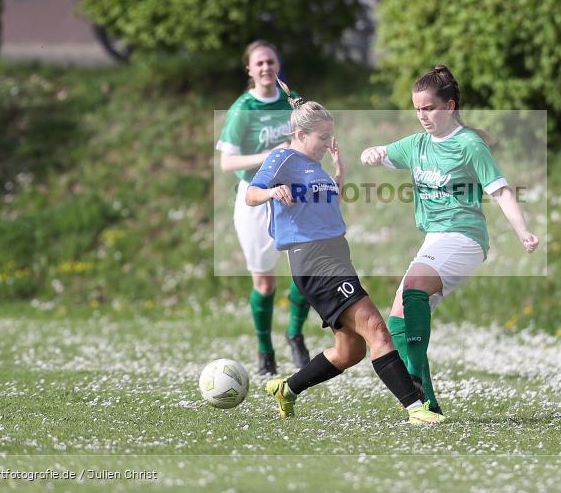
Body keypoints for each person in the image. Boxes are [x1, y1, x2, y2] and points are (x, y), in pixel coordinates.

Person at [246, 98, 444, 424]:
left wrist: (339, 172)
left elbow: (326, 202)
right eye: (322, 138)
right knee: (377, 328)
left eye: (329, 138)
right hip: (312, 259)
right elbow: (251, 194)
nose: (327, 144)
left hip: (336, 255)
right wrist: (271, 193)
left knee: (349, 352)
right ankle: (415, 408)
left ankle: (287, 389)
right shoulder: (283, 157)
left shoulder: (315, 164)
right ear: (300, 133)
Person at [360, 64, 539, 415]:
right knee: (398, 318)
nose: (422, 116)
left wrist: (523, 231)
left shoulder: (470, 145)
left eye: (429, 108)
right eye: (417, 109)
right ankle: (428, 405)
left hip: (465, 238)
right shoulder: (418, 144)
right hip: (435, 240)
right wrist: (372, 153)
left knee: (413, 289)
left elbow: (501, 192)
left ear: (450, 106)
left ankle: (411, 380)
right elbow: (384, 153)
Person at [215, 40, 311, 375]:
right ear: (250, 70)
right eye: (259, 64)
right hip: (255, 196)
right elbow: (227, 162)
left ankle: (295, 335)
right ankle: (265, 351)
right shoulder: (243, 108)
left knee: (305, 272)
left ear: (277, 64)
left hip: (292, 196)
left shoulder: (291, 99)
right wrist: (270, 156)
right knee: (265, 283)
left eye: (270, 61)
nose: (266, 68)